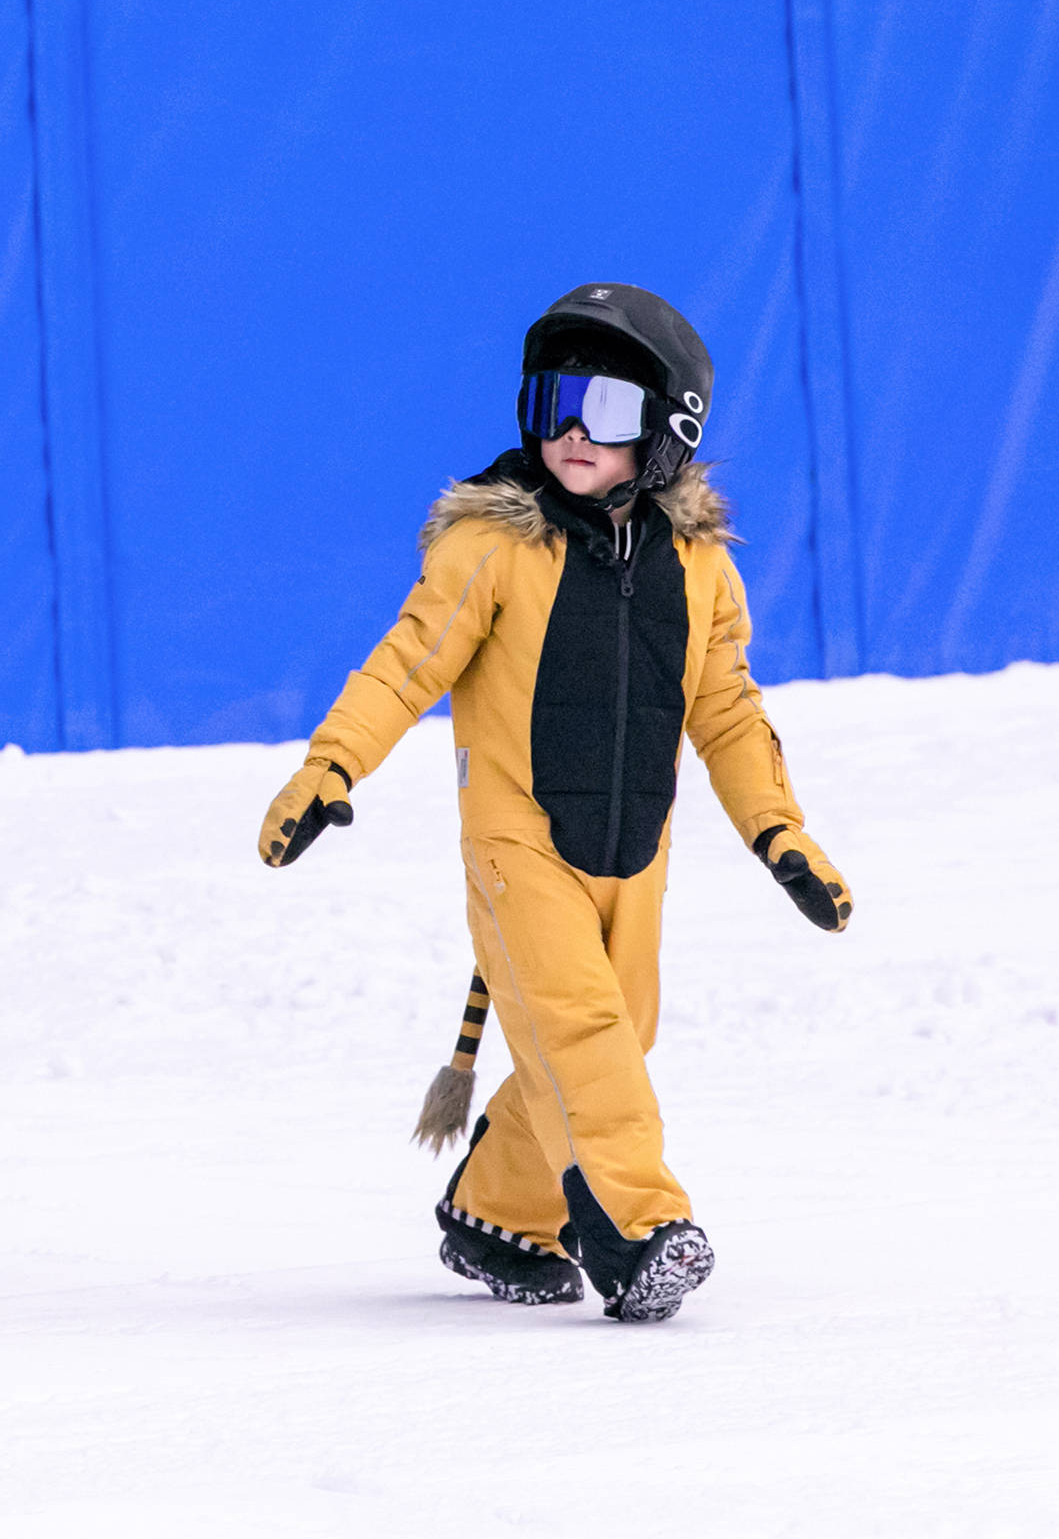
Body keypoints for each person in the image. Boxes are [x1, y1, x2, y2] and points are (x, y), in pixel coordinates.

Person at [256, 283, 854, 1323]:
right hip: (517, 842)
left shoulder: (701, 567)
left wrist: (778, 830)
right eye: (553, 401)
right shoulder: (491, 545)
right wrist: (330, 766)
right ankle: (639, 1227)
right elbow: (404, 667)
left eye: (609, 411)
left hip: (634, 847)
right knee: (578, 1031)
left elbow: (726, 710)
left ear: (668, 435)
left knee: (617, 1035)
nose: (574, 431)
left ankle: (497, 1211)